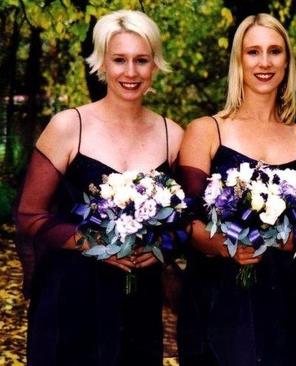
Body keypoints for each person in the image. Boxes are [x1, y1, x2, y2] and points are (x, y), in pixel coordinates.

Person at [15, 9, 184, 366]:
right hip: (70, 298)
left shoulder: (173, 135)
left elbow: (183, 221)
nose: (131, 72)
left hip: (137, 304)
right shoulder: (67, 126)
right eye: (119, 60)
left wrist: (159, 248)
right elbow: (30, 216)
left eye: (142, 60)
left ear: (155, 65)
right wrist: (94, 243)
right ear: (102, 64)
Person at [176, 13, 296, 366]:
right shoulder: (205, 131)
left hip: (280, 306)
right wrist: (227, 247)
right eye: (253, 52)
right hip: (215, 301)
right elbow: (185, 222)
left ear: (287, 60)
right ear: (238, 60)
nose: (264, 62)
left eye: (274, 51)